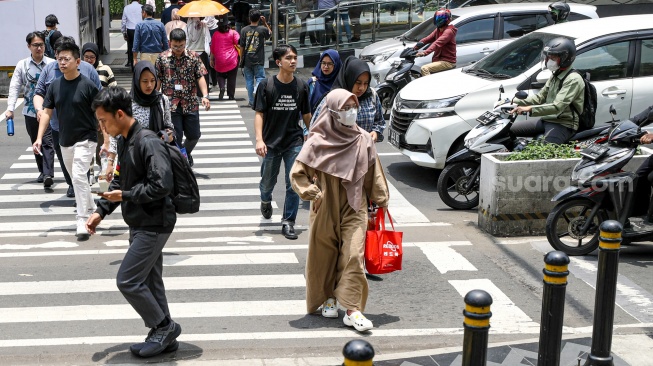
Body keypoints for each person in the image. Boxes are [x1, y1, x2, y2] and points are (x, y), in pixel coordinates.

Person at [88, 87, 181, 358]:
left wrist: (126, 195)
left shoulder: (147, 141)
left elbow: (161, 185)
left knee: (127, 280)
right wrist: (101, 211)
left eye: (104, 121)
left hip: (154, 222)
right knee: (151, 282)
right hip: (140, 220)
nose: (102, 127)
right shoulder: (125, 140)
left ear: (119, 114)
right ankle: (163, 337)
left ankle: (164, 326)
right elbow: (119, 180)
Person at [290, 88, 390, 332]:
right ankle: (328, 298)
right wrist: (310, 192)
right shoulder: (316, 140)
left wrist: (381, 199)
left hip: (354, 204)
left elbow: (373, 173)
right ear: (332, 111)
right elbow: (298, 173)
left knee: (353, 255)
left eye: (353, 107)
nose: (350, 113)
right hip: (325, 203)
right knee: (325, 256)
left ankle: (353, 309)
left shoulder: (363, 139)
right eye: (345, 108)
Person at [32, 41, 100, 240]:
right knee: (76, 178)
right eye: (59, 59)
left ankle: (82, 218)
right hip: (65, 140)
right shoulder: (54, 86)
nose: (62, 63)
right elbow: (46, 113)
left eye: (66, 59)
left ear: (77, 61)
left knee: (79, 176)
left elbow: (102, 112)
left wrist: (106, 141)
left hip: (87, 139)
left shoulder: (87, 85)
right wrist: (38, 138)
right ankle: (93, 206)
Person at [254, 45, 312, 240]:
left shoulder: (301, 86)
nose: (293, 61)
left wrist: (314, 134)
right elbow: (259, 114)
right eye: (288, 58)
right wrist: (259, 139)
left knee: (293, 183)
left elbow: (305, 114)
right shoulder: (266, 85)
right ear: (279, 62)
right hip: (270, 143)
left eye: (295, 57)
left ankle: (288, 222)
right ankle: (265, 200)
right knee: (267, 183)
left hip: (293, 141)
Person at [104, 61, 175, 180]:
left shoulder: (162, 100)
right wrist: (110, 163)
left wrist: (169, 135)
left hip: (156, 158)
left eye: (153, 81)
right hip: (131, 159)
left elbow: (168, 125)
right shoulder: (126, 102)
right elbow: (116, 134)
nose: (149, 85)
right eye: (145, 81)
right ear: (137, 81)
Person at [5, 31, 56, 188]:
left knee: (47, 141)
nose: (39, 48)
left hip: (49, 111)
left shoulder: (52, 64)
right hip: (30, 112)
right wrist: (10, 108)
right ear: (29, 46)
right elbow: (15, 87)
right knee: (36, 141)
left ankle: (48, 174)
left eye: (41, 45)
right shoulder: (23, 65)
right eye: (35, 45)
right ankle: (42, 170)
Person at [510, 37, 584, 144]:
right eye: (548, 57)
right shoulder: (555, 75)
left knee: (544, 151)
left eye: (553, 58)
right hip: (547, 120)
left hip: (563, 124)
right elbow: (540, 98)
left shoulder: (573, 79)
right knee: (508, 130)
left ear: (565, 58)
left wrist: (529, 109)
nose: (549, 61)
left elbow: (557, 106)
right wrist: (513, 102)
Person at [155, 28, 211, 167]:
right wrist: (155, 98)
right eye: (175, 46)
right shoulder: (162, 58)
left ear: (185, 42)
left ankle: (185, 153)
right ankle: (181, 163)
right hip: (171, 105)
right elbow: (158, 80)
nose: (178, 48)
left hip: (190, 102)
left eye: (181, 45)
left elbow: (200, 77)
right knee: (175, 137)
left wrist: (205, 96)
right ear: (170, 43)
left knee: (194, 135)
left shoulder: (193, 57)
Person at [311, 56, 385, 142]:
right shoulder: (333, 99)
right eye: (358, 83)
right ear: (349, 79)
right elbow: (315, 128)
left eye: (366, 83)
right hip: (338, 153)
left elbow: (380, 122)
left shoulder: (371, 96)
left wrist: (375, 132)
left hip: (365, 152)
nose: (361, 88)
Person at [82, 42, 117, 169]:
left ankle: (103, 168)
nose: (89, 60)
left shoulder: (105, 70)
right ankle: (89, 171)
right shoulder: (79, 70)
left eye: (92, 57)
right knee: (86, 144)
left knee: (101, 143)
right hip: (86, 114)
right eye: (86, 57)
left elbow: (114, 89)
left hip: (103, 113)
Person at [240, 9, 271, 107]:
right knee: (260, 78)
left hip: (247, 59)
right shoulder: (262, 29)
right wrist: (265, 22)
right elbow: (270, 33)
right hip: (259, 59)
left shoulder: (244, 30)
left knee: (249, 81)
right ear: (259, 18)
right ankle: (257, 89)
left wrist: (241, 58)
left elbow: (242, 46)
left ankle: (252, 102)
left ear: (249, 18)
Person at [415, 9, 457, 76]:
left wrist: (424, 53)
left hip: (448, 62)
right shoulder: (438, 30)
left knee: (424, 68)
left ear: (447, 20)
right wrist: (414, 48)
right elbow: (427, 39)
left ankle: (431, 86)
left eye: (441, 18)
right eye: (438, 18)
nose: (439, 20)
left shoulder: (449, 31)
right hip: (438, 59)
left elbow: (437, 43)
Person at [210, 16, 240, 101]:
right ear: (228, 25)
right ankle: (231, 95)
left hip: (219, 59)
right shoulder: (233, 33)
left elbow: (212, 48)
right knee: (232, 77)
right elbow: (238, 42)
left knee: (219, 75)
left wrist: (212, 59)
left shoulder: (215, 34)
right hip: (232, 58)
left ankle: (222, 87)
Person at [308, 49, 342, 114]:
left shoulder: (341, 85)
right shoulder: (313, 83)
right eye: (323, 63)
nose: (326, 67)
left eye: (330, 64)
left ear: (336, 65)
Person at [184, 17, 212, 92]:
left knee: (191, 74)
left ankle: (194, 92)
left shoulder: (186, 27)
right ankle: (204, 92)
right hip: (202, 52)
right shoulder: (204, 25)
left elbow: (185, 41)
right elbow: (208, 39)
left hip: (190, 53)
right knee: (203, 73)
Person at [122, 0, 144, 69]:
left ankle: (133, 66)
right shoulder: (142, 7)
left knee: (131, 47)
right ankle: (142, 65)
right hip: (140, 29)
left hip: (130, 30)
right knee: (142, 47)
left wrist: (124, 32)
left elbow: (123, 21)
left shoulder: (126, 8)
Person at [204, 16, 220, 89]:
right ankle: (214, 81)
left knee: (208, 63)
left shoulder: (203, 24)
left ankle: (210, 81)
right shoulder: (216, 24)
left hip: (206, 46)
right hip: (216, 46)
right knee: (214, 63)